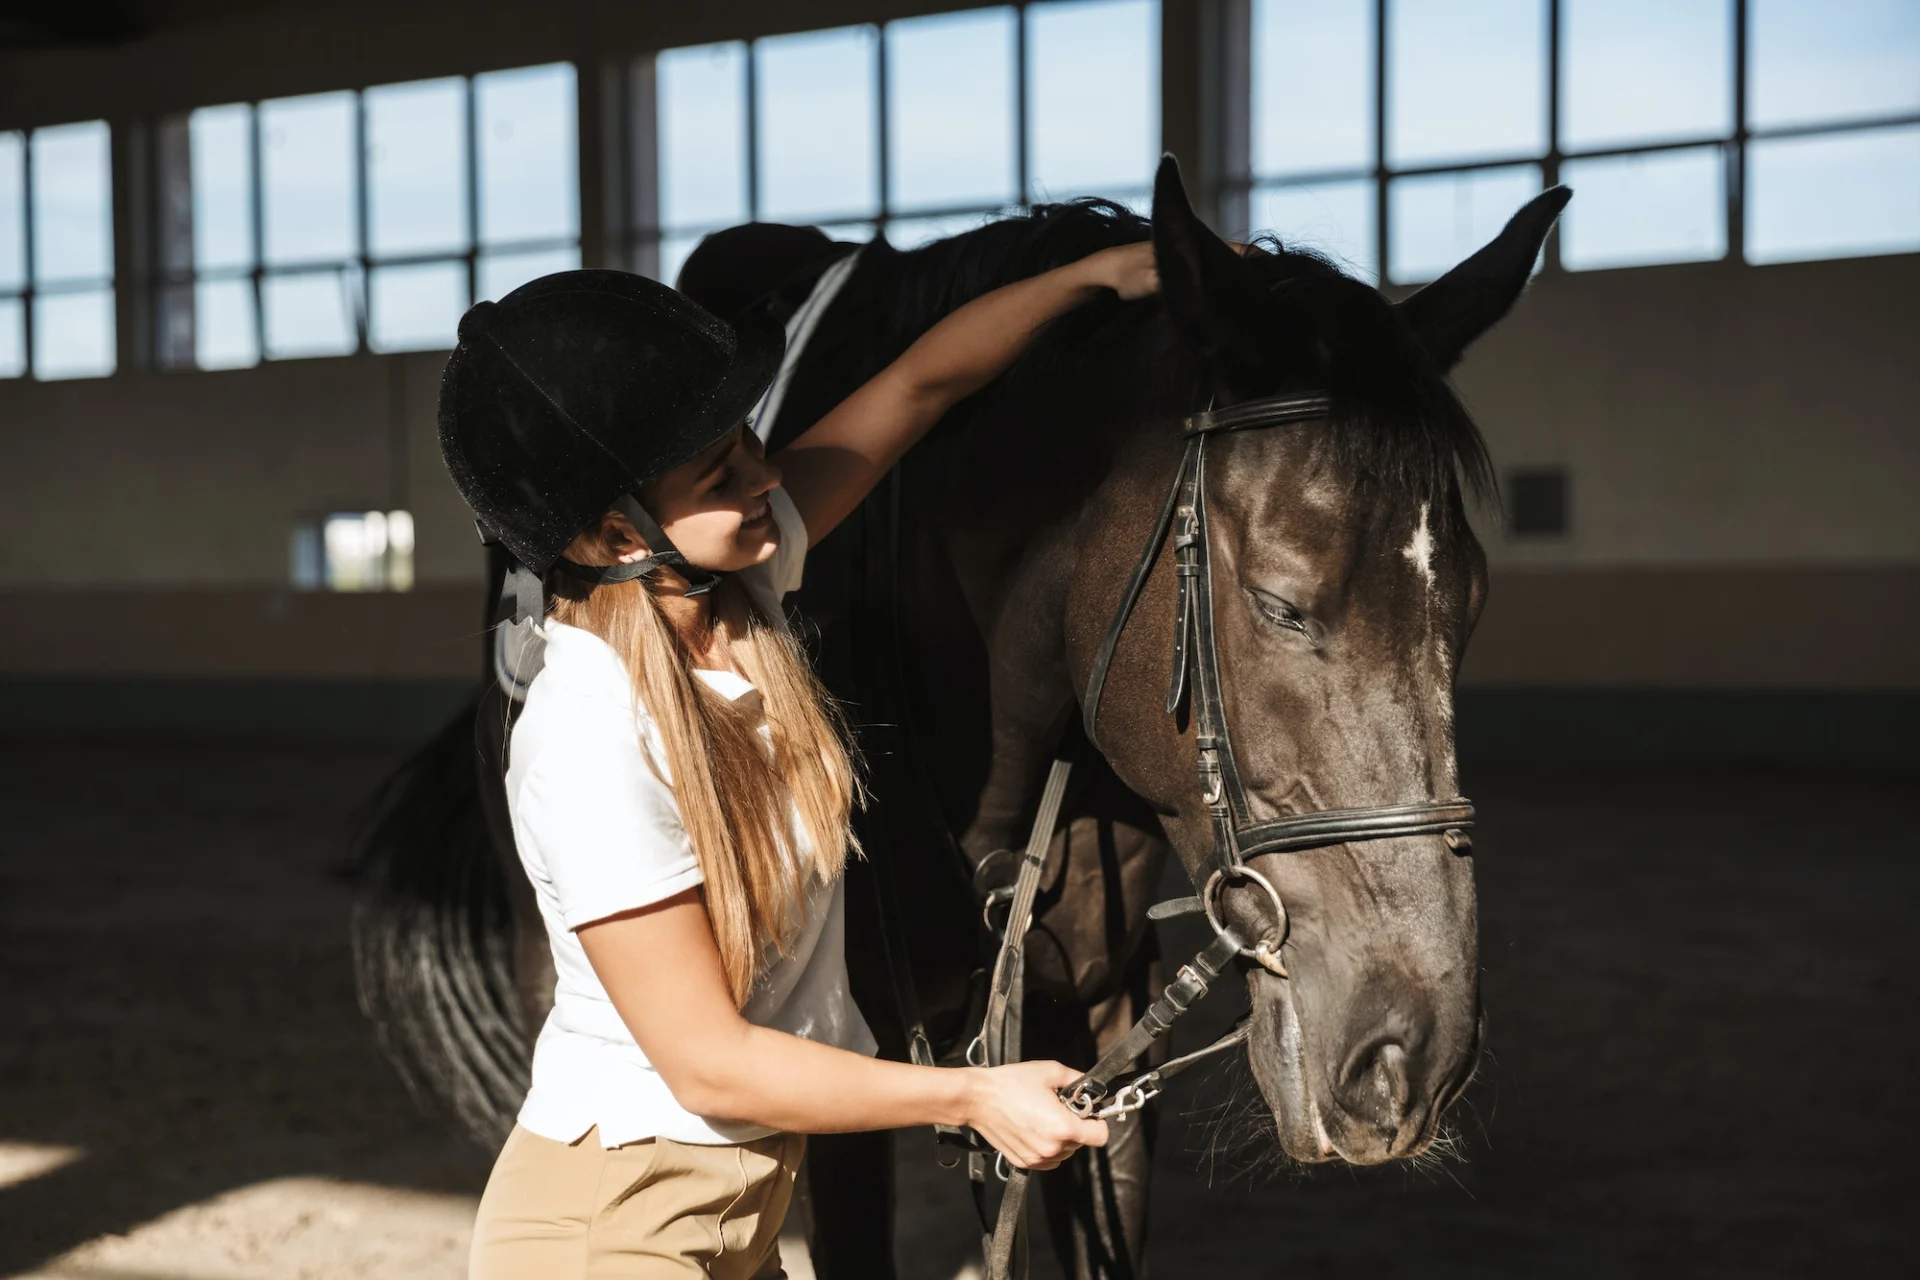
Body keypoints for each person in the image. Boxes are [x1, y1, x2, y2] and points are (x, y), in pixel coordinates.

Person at [437, 244, 1159, 1278]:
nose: (763, 475)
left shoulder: (737, 594)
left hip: (730, 1212)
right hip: (617, 1226)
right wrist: (973, 1093)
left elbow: (919, 384)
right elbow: (711, 1063)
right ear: (610, 532)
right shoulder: (588, 732)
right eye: (717, 472)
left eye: (749, 441)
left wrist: (1090, 279)